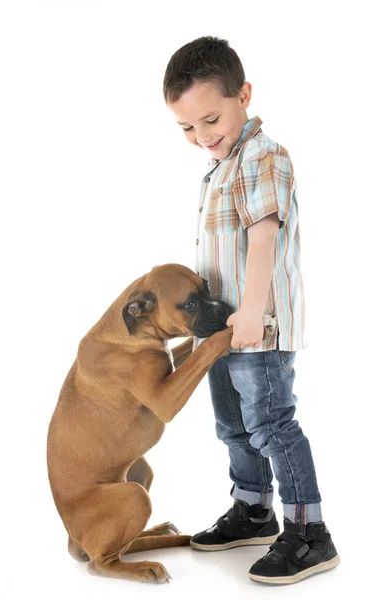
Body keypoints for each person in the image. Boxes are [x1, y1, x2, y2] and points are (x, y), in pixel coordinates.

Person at [163, 36, 340, 585]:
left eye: (210, 119)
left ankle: (310, 533)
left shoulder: (265, 157)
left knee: (271, 427)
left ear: (244, 94)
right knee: (233, 428)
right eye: (187, 128)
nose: (201, 137)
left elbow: (262, 243)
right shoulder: (219, 166)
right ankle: (253, 510)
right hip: (220, 332)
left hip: (256, 331)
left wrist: (251, 314)